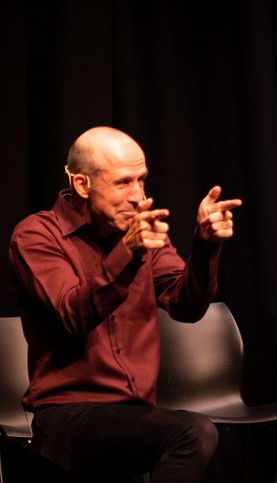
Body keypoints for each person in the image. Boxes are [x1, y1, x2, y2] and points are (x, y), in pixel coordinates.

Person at [8, 127, 242, 482]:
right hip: (67, 414)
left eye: (142, 181)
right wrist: (127, 254)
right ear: (82, 185)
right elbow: (73, 314)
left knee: (195, 440)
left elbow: (186, 306)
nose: (138, 196)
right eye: (123, 183)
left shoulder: (140, 235)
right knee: (193, 433)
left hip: (132, 416)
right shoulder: (36, 235)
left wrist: (205, 245)